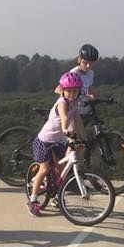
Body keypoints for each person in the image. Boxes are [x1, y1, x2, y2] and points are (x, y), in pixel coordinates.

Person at [28, 71, 86, 216]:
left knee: (60, 169)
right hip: (44, 140)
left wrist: (84, 138)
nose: (72, 94)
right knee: (45, 168)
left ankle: (57, 198)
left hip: (59, 141)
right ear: (63, 91)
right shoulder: (62, 103)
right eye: (69, 91)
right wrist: (66, 129)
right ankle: (33, 200)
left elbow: (77, 121)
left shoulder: (74, 104)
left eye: (75, 90)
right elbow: (64, 117)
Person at [55, 43, 100, 114]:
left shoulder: (91, 73)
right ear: (79, 60)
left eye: (91, 63)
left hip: (83, 109)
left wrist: (96, 97)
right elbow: (58, 90)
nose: (88, 66)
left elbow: (89, 89)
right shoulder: (74, 73)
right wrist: (75, 98)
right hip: (71, 110)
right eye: (85, 62)